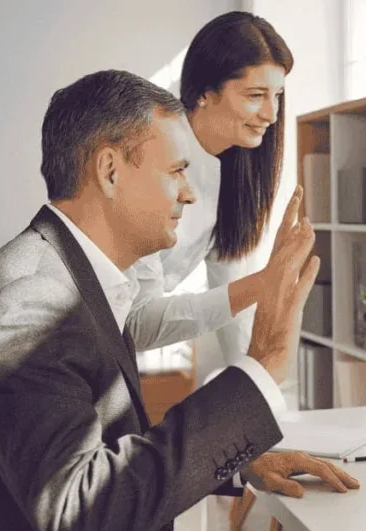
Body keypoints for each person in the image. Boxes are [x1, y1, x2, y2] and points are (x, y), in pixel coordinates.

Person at [0, 70, 360, 531]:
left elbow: (101, 452)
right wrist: (265, 358)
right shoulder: (27, 306)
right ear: (109, 170)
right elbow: (81, 515)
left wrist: (241, 459)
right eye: (177, 171)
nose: (190, 195)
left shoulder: (69, 277)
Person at [125, 11, 294, 364]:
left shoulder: (236, 171)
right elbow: (137, 323)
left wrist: (256, 387)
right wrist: (263, 283)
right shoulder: (150, 159)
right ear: (205, 91)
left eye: (277, 95)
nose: (271, 114)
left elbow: (231, 296)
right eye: (255, 95)